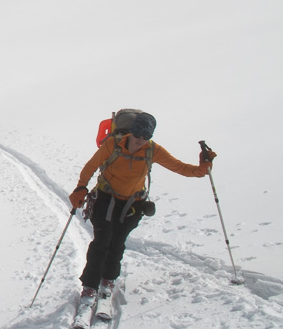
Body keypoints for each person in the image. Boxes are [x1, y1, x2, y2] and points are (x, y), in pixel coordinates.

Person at [68, 112, 214, 309]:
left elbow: (180, 168)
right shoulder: (112, 145)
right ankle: (89, 286)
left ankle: (108, 280)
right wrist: (80, 187)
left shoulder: (152, 150)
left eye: (146, 137)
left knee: (117, 243)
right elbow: (90, 167)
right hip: (105, 199)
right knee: (101, 242)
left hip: (132, 205)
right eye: (138, 136)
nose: (140, 141)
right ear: (132, 133)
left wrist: (202, 169)